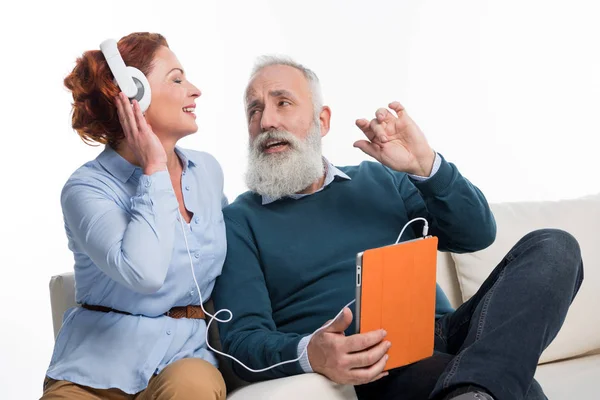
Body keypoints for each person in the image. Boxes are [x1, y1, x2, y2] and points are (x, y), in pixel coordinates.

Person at [212, 56, 584, 400]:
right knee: (523, 389)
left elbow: (476, 234)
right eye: (254, 110)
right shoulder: (239, 220)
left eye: (283, 103)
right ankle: (482, 384)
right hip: (371, 355)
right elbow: (243, 343)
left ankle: (476, 387)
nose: (266, 122)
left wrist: (425, 166)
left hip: (442, 331)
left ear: (321, 121)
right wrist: (311, 352)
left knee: (554, 247)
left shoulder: (380, 178)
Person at [42, 32, 227, 399]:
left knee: (193, 386)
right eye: (176, 79)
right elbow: (145, 273)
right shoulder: (86, 188)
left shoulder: (207, 171)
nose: (195, 91)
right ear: (134, 94)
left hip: (184, 360)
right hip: (93, 372)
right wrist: (154, 167)